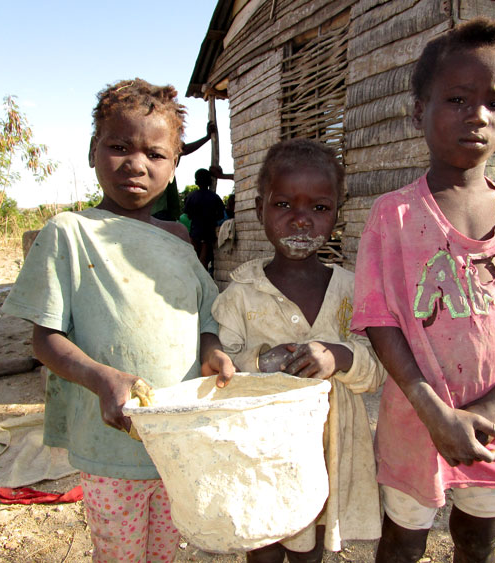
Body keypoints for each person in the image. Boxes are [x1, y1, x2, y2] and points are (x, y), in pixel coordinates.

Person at [350, 19, 495, 563]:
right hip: (416, 420)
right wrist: (433, 412)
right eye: (457, 98)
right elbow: (379, 321)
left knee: (478, 539)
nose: (478, 115)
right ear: (418, 109)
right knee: (402, 540)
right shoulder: (393, 216)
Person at [1, 78, 235, 563]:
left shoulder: (178, 239)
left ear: (174, 167)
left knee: (166, 549)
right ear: (93, 151)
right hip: (110, 439)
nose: (136, 164)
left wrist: (211, 350)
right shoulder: (70, 233)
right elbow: (44, 340)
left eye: (155, 154)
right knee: (120, 553)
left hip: (175, 439)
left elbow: (203, 317)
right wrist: (100, 377)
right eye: (119, 147)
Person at [213, 138, 386, 562]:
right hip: (261, 447)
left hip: (328, 449)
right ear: (259, 210)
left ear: (336, 214)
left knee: (311, 546)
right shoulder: (241, 293)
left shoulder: (351, 289)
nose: (301, 221)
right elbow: (221, 368)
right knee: (264, 545)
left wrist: (339, 357)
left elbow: (377, 366)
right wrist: (259, 362)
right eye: (284, 205)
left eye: (319, 208)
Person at [151, 121, 216, 221]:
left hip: (164, 210)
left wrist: (207, 137)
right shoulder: (158, 150)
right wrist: (207, 137)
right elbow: (184, 149)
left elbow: (184, 149)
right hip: (158, 211)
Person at [184, 168, 225, 270]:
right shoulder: (214, 197)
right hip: (208, 232)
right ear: (210, 181)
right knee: (204, 261)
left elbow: (188, 214)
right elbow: (220, 215)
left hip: (195, 231)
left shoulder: (191, 196)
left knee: (194, 259)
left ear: (196, 182)